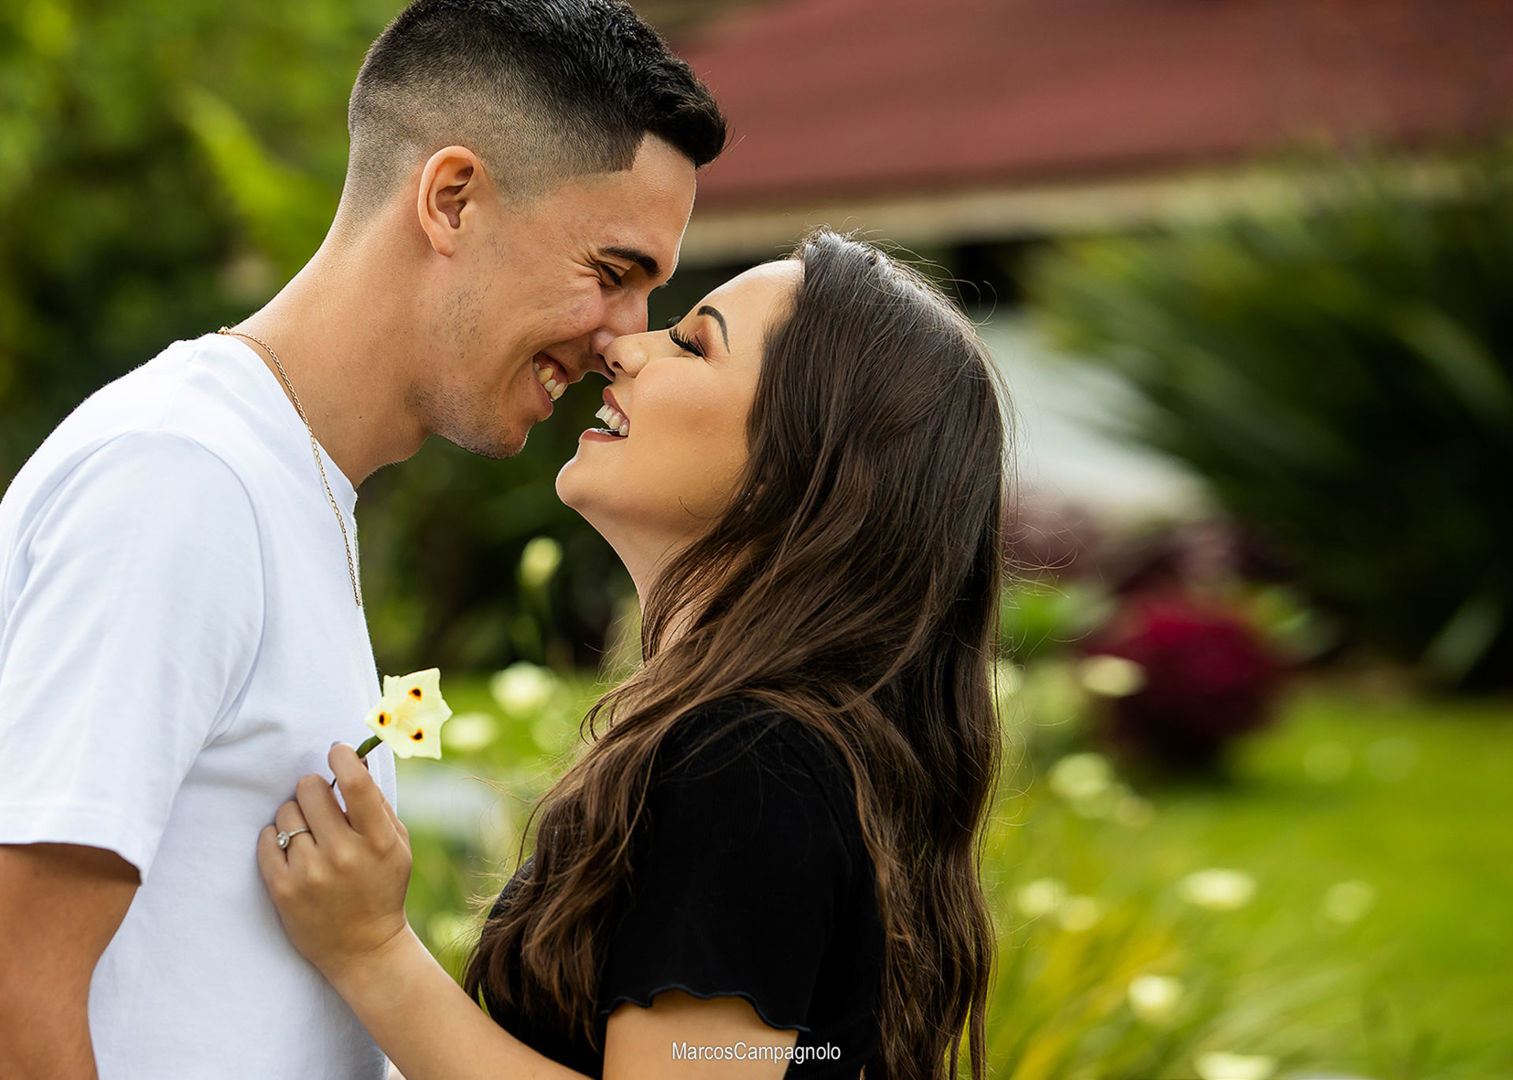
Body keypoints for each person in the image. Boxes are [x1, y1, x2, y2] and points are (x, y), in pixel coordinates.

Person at [0, 1, 725, 1076]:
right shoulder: (184, 477)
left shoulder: (282, 479)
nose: (625, 341)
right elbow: (18, 982)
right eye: (611, 273)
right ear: (451, 200)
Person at [259, 229, 1011, 1079]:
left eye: (692, 342)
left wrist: (372, 953)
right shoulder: (767, 749)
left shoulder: (753, 762)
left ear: (799, 467)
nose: (621, 345)